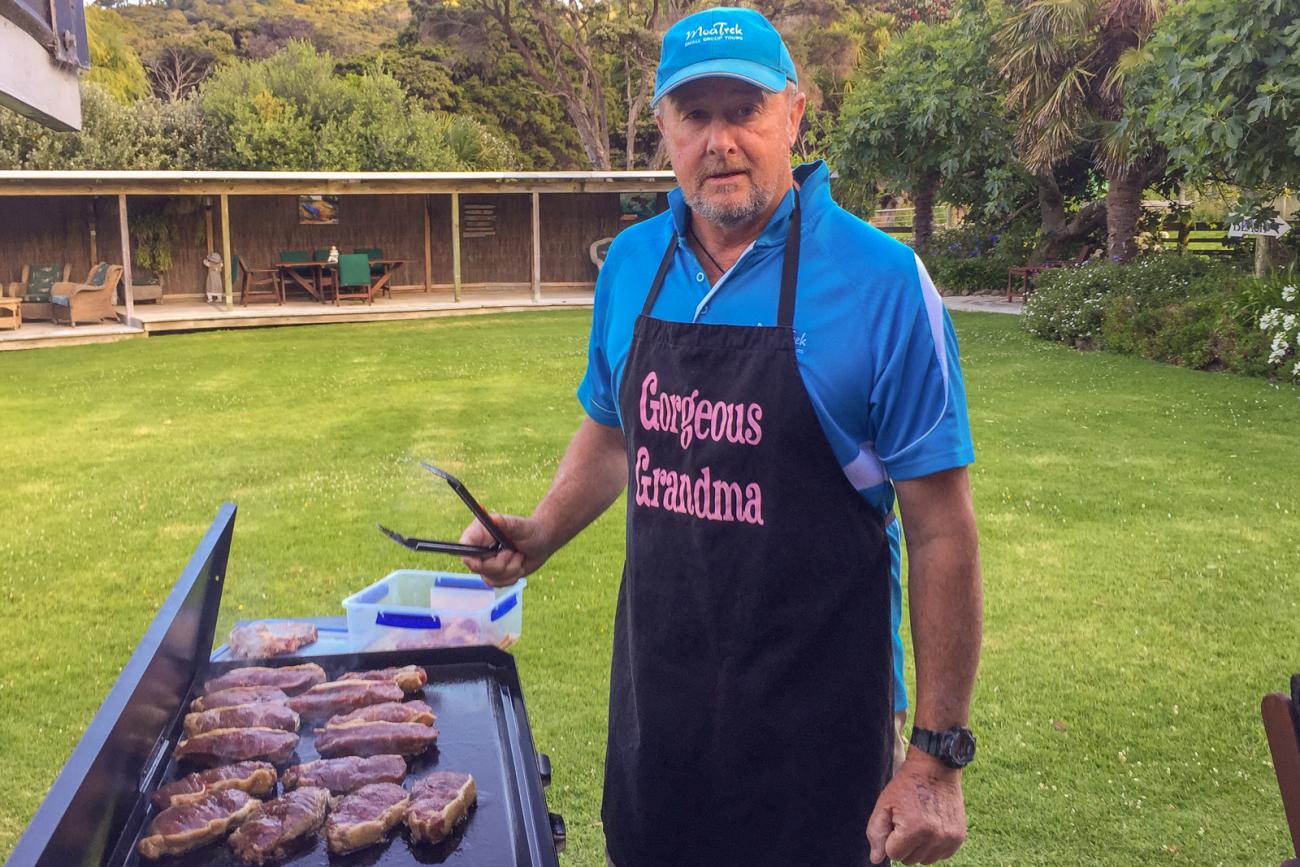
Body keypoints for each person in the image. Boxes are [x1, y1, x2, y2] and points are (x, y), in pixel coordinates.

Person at [460, 7, 982, 865]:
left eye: (744, 109)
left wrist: (936, 754)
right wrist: (543, 527)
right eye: (696, 114)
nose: (721, 140)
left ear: (795, 115)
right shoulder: (632, 264)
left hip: (821, 721)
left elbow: (940, 526)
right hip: (658, 707)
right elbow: (617, 429)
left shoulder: (883, 283)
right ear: (663, 125)